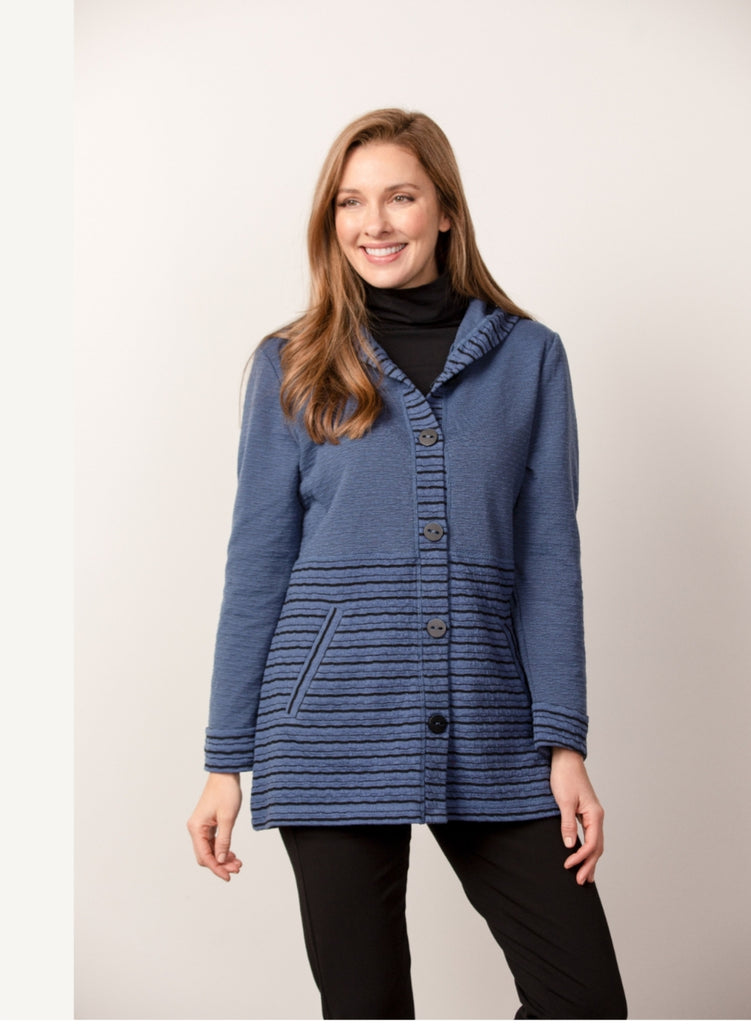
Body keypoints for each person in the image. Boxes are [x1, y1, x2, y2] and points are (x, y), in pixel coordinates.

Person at [187, 108, 627, 1020]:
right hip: (326, 725)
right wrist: (225, 761)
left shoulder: (530, 358)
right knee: (366, 1006)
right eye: (350, 202)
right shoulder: (291, 363)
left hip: (493, 718)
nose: (373, 223)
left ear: (445, 211)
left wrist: (564, 745)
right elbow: (257, 565)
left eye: (399, 197)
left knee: (583, 999)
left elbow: (549, 558)